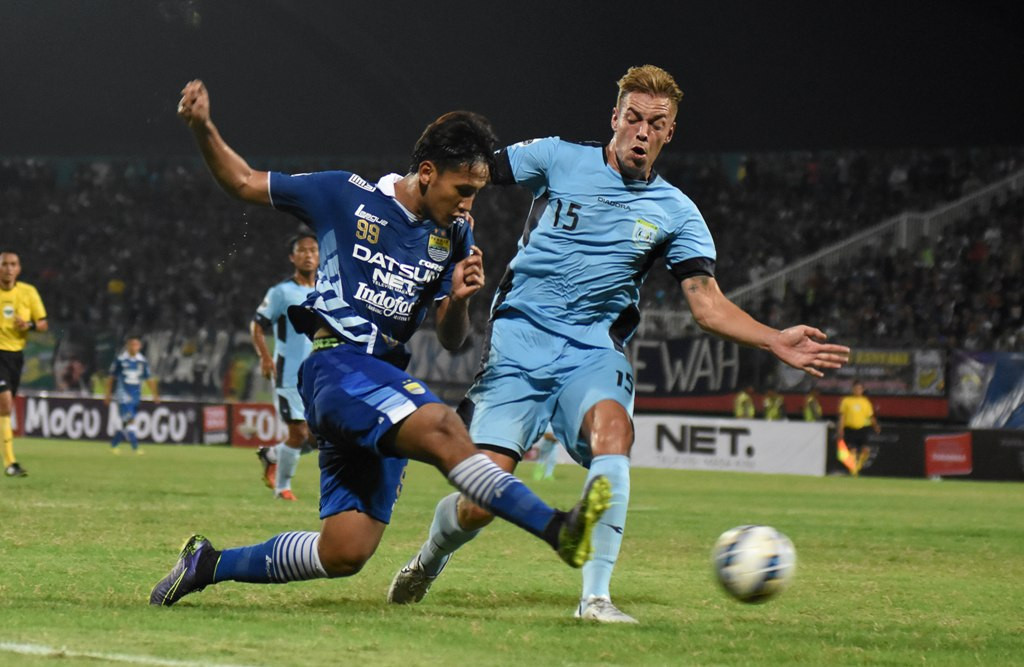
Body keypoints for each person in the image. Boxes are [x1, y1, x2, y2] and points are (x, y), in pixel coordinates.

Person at [388, 65, 851, 623]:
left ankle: (596, 598)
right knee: (480, 501)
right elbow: (469, 173)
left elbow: (706, 305)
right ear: (615, 118)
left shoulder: (676, 212)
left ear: (668, 133)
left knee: (615, 434)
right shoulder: (557, 157)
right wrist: (415, 213)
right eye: (632, 118)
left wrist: (775, 339)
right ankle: (429, 559)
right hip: (519, 342)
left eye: (655, 123)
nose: (641, 131)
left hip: (593, 350)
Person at [150, 80, 611, 607]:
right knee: (443, 425)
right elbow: (244, 182)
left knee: (344, 551)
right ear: (428, 172)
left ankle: (206, 563)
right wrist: (203, 127)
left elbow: (452, 339)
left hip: (380, 380)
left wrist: (459, 299)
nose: (468, 204)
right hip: (336, 368)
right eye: (462, 189)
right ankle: (558, 529)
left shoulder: (454, 236)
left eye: (476, 193)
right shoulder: (344, 195)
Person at [251, 231, 319, 501]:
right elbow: (257, 325)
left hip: (316, 376)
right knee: (298, 432)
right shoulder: (281, 292)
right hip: (288, 374)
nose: (308, 255)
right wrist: (265, 357)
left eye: (313, 250)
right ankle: (282, 489)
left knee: (316, 439)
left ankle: (273, 454)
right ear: (292, 257)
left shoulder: (327, 290)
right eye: (302, 250)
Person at [0, 251, 48, 478]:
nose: (8, 268)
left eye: (13, 265)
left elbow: (43, 324)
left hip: (15, 356)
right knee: (5, 403)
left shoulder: (28, 292)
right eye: (4, 264)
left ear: (18, 269)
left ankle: (9, 463)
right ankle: (10, 462)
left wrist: (27, 326)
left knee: (5, 407)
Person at [103, 335, 160, 454]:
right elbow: (110, 379)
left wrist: (155, 394)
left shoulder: (142, 361)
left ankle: (114, 444)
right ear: (127, 346)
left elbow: (149, 378)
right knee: (131, 420)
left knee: (125, 423)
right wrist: (107, 395)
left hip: (135, 395)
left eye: (136, 345)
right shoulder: (120, 360)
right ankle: (136, 447)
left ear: (140, 346)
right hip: (123, 395)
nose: (134, 347)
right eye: (132, 344)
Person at [837, 380, 880, 476]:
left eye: (859, 389)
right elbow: (842, 416)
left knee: (865, 450)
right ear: (852, 389)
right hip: (850, 428)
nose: (857, 390)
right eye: (855, 388)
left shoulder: (866, 402)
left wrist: (876, 426)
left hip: (863, 428)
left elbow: (870, 416)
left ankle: (857, 467)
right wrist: (840, 428)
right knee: (852, 450)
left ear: (862, 390)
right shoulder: (846, 401)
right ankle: (853, 471)